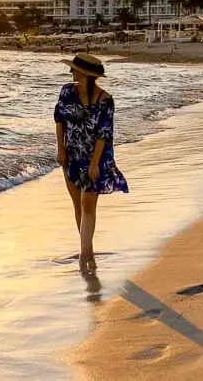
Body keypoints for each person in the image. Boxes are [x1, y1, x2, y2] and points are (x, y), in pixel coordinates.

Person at [54, 53, 128, 273]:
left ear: (85, 74)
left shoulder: (105, 100)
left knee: (88, 204)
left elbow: (104, 134)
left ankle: (84, 255)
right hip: (72, 156)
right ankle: (88, 249)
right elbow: (59, 119)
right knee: (78, 205)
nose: (71, 73)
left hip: (97, 157)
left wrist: (95, 163)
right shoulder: (67, 92)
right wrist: (61, 149)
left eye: (75, 69)